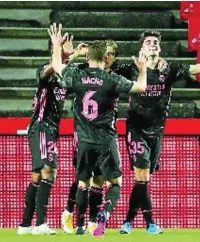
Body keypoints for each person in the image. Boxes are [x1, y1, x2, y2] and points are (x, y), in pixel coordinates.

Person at [116, 31, 200, 234]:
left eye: (155, 42)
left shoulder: (170, 69)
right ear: (141, 48)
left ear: (160, 47)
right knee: (142, 175)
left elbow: (199, 68)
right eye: (148, 42)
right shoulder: (131, 68)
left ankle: (132, 222)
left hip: (157, 130)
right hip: (136, 128)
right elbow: (106, 71)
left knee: (144, 178)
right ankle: (143, 223)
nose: (152, 44)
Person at [48, 23, 147, 236]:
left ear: (87, 57)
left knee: (84, 181)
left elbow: (57, 66)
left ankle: (82, 225)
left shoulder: (77, 75)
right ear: (104, 59)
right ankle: (101, 217)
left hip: (83, 139)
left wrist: (58, 47)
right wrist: (143, 69)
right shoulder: (111, 79)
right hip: (106, 139)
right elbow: (140, 88)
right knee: (115, 182)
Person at [17, 28, 75, 236]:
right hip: (41, 127)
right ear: (53, 51)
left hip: (50, 130)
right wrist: (60, 55)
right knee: (49, 171)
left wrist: (70, 57)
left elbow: (67, 73)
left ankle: (25, 224)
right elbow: (49, 70)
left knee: (37, 176)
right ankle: (41, 224)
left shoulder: (64, 76)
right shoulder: (45, 71)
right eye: (59, 50)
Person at [61, 40, 119, 235]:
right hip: (84, 134)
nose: (109, 57)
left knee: (99, 181)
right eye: (107, 53)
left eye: (112, 54)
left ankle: (92, 221)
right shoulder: (83, 73)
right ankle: (72, 215)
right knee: (82, 179)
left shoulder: (115, 76)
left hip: (104, 134)